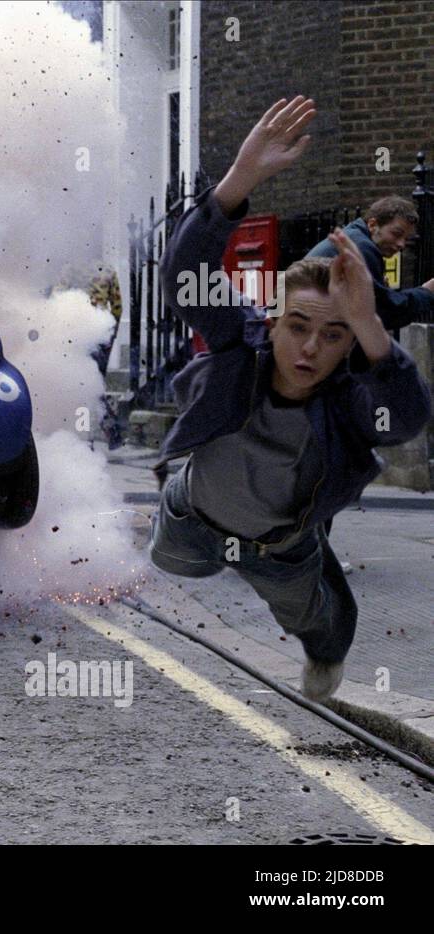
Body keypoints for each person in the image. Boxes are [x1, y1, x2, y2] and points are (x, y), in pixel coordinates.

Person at [148, 96, 432, 701]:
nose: (309, 349)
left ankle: (322, 633)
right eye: (298, 326)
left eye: (333, 336)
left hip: (278, 550)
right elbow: (183, 271)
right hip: (189, 520)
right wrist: (238, 181)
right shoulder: (237, 346)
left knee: (324, 630)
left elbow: (407, 419)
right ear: (271, 321)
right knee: (173, 564)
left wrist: (371, 328)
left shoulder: (349, 398)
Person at [305, 195, 434, 329]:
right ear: (372, 225)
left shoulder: (355, 236)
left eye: (406, 239)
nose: (401, 244)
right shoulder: (363, 247)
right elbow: (384, 312)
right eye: (396, 234)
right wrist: (427, 292)